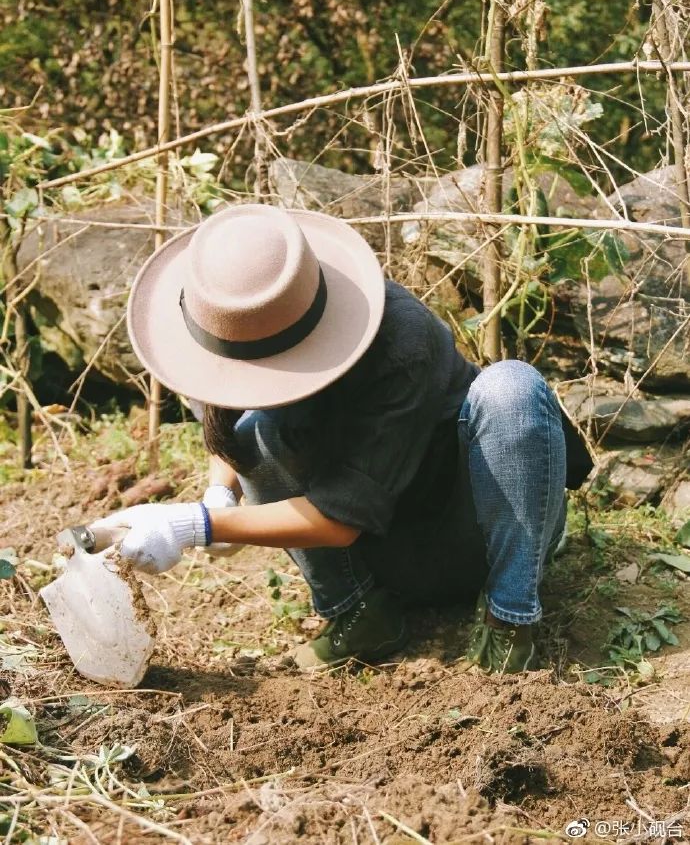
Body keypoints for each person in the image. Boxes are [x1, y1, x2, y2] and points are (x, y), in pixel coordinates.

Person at [88, 203, 591, 676]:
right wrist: (220, 494)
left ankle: (509, 619)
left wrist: (193, 526)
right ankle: (362, 615)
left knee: (511, 388)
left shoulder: (401, 340)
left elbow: (342, 518)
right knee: (257, 428)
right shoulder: (217, 328)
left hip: (472, 528)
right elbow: (229, 427)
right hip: (386, 553)